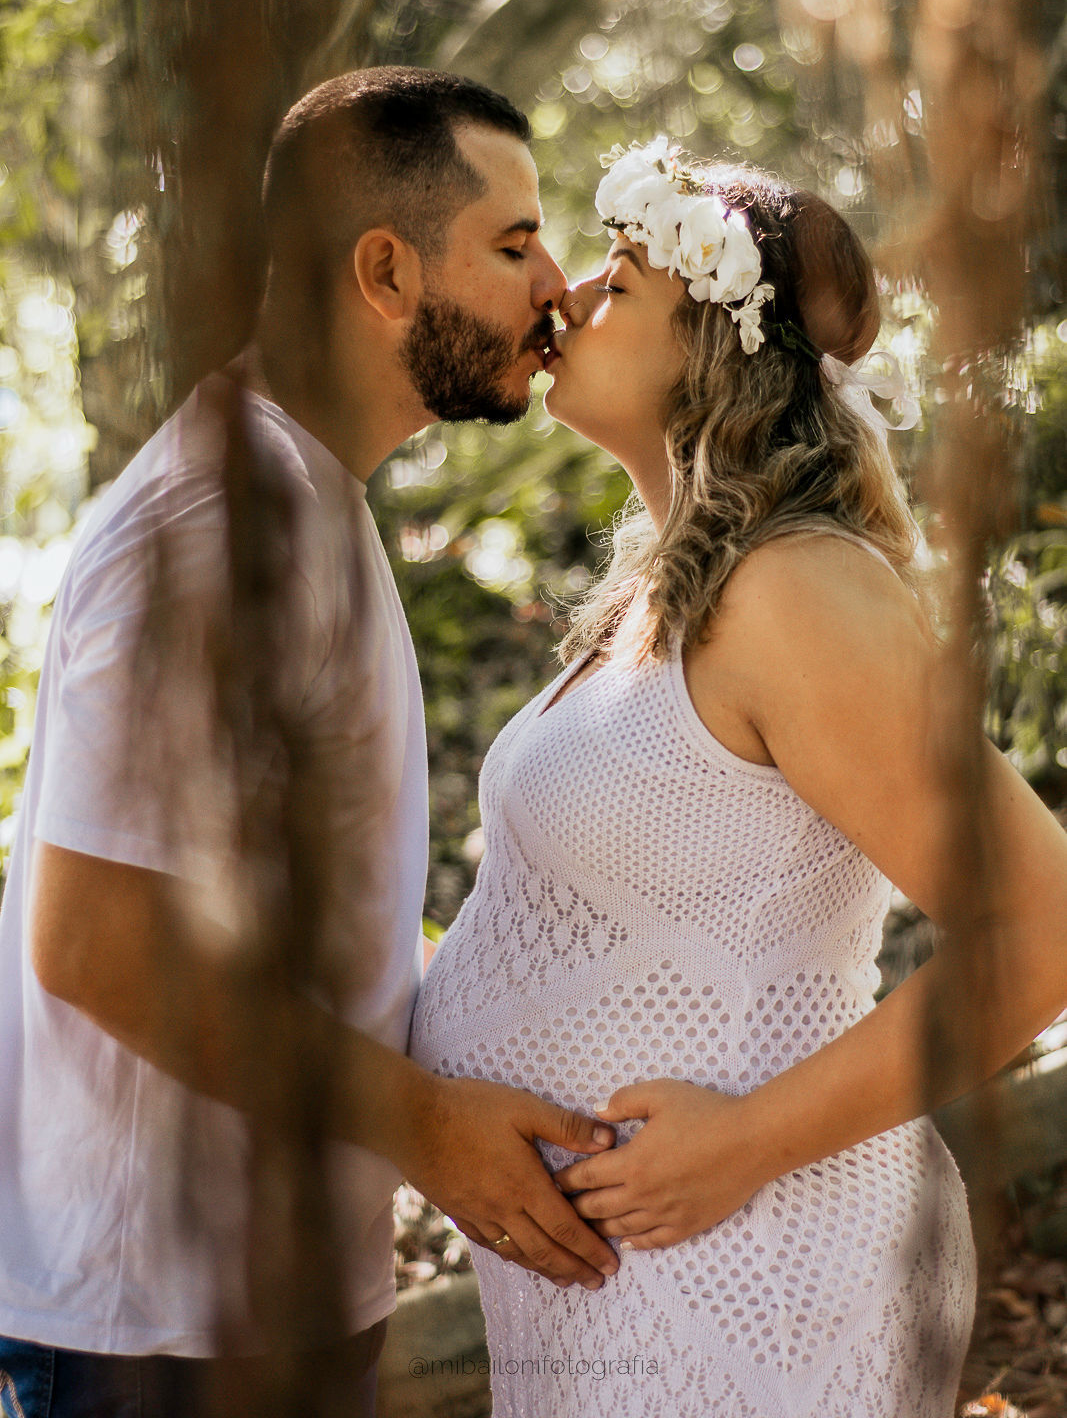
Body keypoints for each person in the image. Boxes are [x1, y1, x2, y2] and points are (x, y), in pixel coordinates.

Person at [410, 138, 1067, 1417]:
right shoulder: (667, 592)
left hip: (753, 1274)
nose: (568, 295)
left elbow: (1037, 926)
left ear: (713, 346)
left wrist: (740, 1145)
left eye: (618, 281)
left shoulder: (794, 589)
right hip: (638, 1285)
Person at [0, 67, 620, 1418]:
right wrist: (428, 1129)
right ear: (385, 272)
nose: (555, 286)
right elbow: (97, 939)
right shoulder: (222, 531)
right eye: (514, 244)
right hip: (157, 1330)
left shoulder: (300, 497)